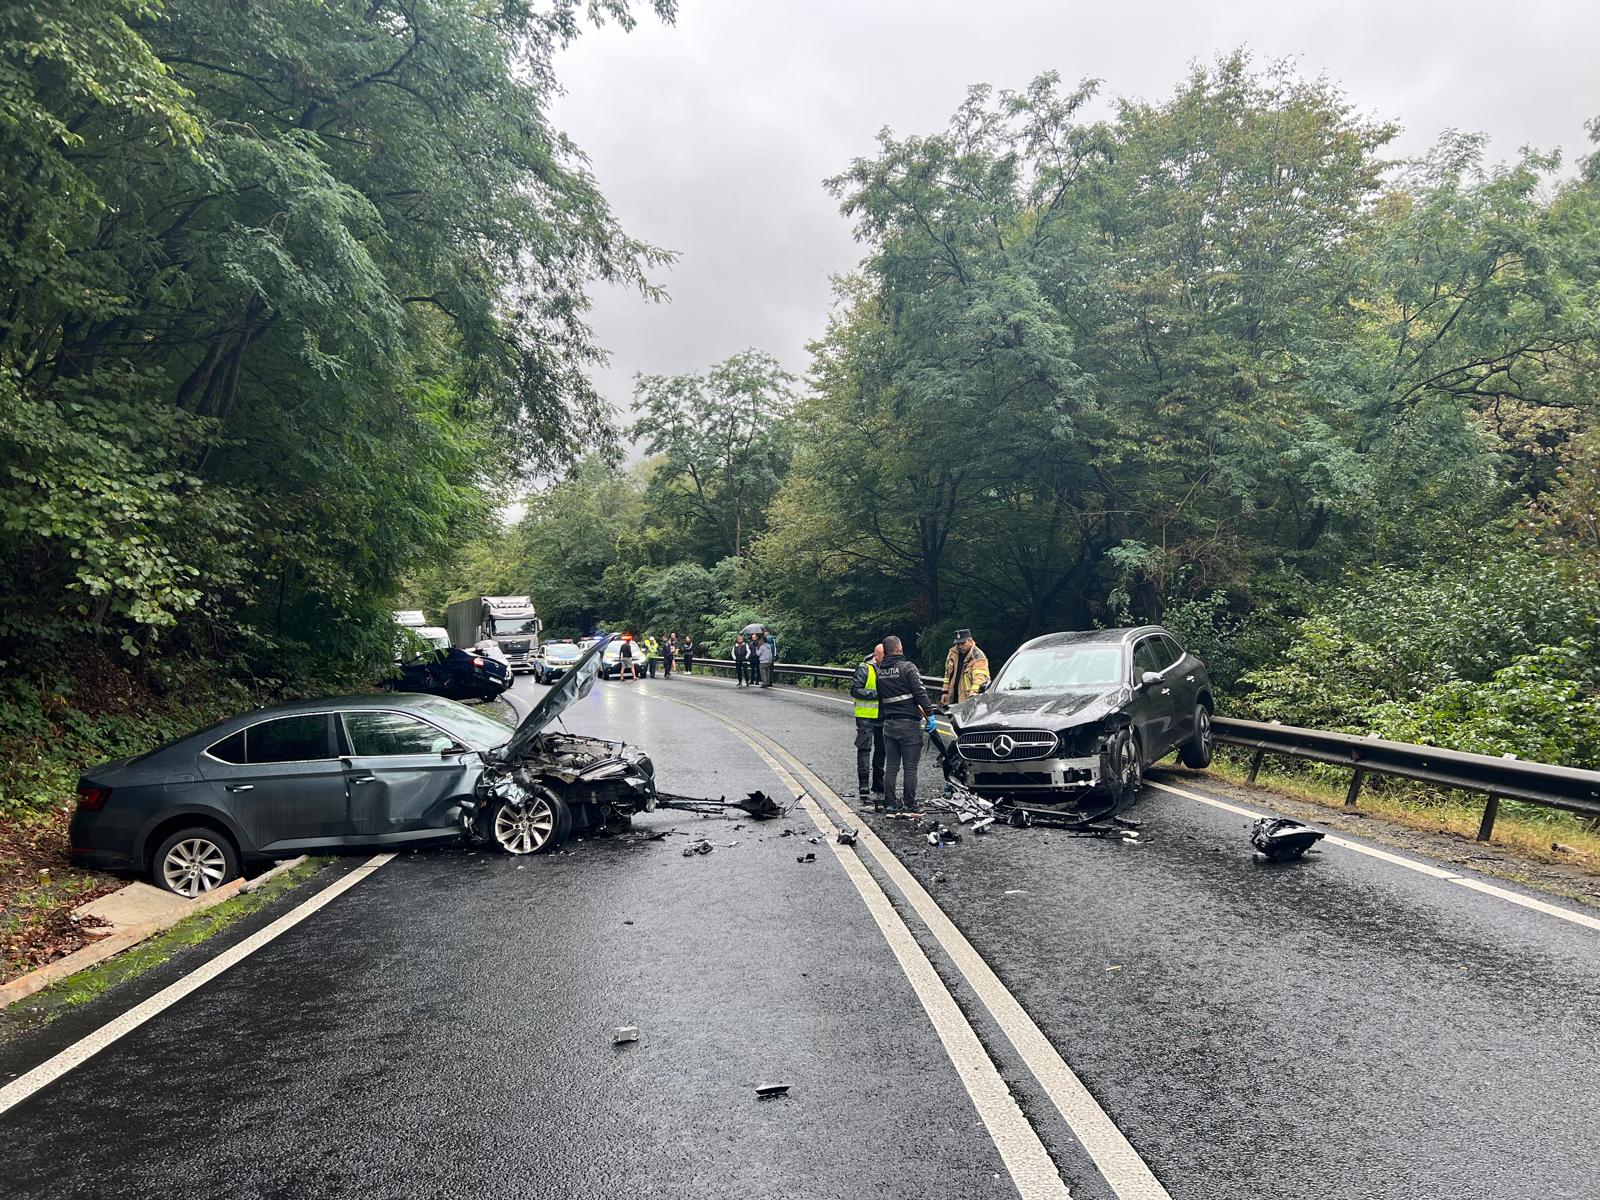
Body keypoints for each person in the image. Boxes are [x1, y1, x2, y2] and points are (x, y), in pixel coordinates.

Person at [877, 634, 933, 814]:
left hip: (889, 725)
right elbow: (920, 693)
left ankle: (891, 803)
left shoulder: (880, 672)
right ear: (900, 648)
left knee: (891, 767)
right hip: (908, 725)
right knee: (910, 768)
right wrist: (930, 715)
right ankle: (909, 803)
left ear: (885, 652)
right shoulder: (908, 668)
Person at [850, 643, 887, 806]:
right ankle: (863, 785)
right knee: (864, 749)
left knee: (882, 749)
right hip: (866, 716)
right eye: (883, 656)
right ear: (876, 655)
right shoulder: (864, 668)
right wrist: (877, 695)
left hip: (884, 716)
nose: (886, 659)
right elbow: (855, 690)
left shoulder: (889, 669)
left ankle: (878, 783)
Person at [941, 628, 990, 705]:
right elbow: (947, 675)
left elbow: (980, 678)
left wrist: (973, 695)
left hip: (968, 699)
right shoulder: (952, 654)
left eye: (963, 643)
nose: (960, 646)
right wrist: (945, 692)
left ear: (970, 641)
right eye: (958, 643)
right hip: (953, 698)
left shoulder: (978, 656)